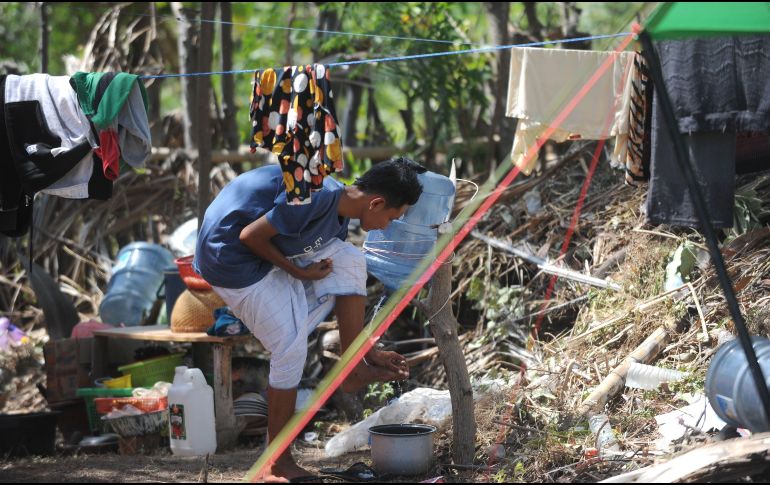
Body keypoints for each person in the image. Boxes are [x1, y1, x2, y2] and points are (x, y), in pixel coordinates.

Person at [194, 156, 425, 481]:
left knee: (349, 260)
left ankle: (354, 366)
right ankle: (277, 463)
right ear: (376, 202)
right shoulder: (313, 196)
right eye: (391, 217)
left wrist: (370, 351)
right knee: (290, 348)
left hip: (262, 257)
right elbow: (249, 236)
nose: (387, 226)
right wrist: (297, 271)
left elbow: (339, 271)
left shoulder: (340, 221)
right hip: (229, 258)